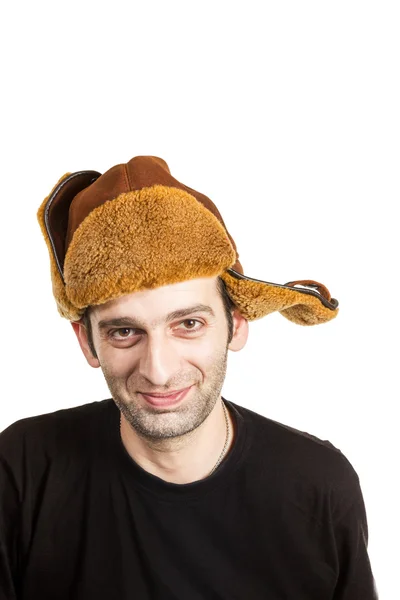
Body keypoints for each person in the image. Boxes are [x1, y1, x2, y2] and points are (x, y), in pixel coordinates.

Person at [0, 156, 378, 599]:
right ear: (87, 343)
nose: (158, 370)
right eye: (125, 332)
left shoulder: (319, 486)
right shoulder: (21, 471)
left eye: (189, 324)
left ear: (236, 325)